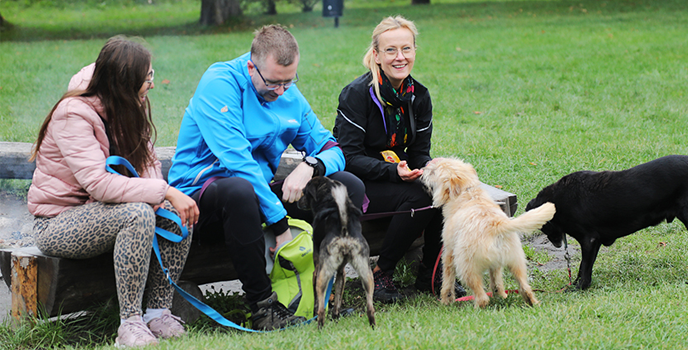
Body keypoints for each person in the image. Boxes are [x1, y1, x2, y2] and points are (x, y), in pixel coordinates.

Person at [167, 24, 364, 331]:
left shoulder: (287, 91)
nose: (281, 92)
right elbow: (238, 164)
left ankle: (320, 294)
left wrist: (310, 164)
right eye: (273, 83)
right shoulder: (219, 84)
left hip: (257, 195)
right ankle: (262, 308)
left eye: (289, 82)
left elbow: (332, 148)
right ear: (251, 67)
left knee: (345, 186)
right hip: (201, 199)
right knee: (239, 190)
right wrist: (280, 223)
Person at [28, 36, 199, 347]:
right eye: (148, 77)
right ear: (125, 82)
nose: (152, 84)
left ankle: (158, 312)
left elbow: (146, 160)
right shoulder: (72, 113)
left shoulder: (129, 101)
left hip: (106, 211)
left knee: (175, 215)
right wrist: (164, 192)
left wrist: (164, 199)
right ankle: (130, 323)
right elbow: (99, 184)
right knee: (137, 213)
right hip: (58, 222)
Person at [333, 16, 466, 303]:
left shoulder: (419, 95)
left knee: (443, 190)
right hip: (358, 182)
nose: (400, 57)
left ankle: (432, 274)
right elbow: (346, 156)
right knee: (420, 198)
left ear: (414, 51)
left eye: (406, 49)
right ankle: (381, 272)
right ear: (377, 55)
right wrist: (394, 172)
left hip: (399, 178)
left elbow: (419, 151)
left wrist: (427, 170)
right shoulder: (357, 94)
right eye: (391, 50)